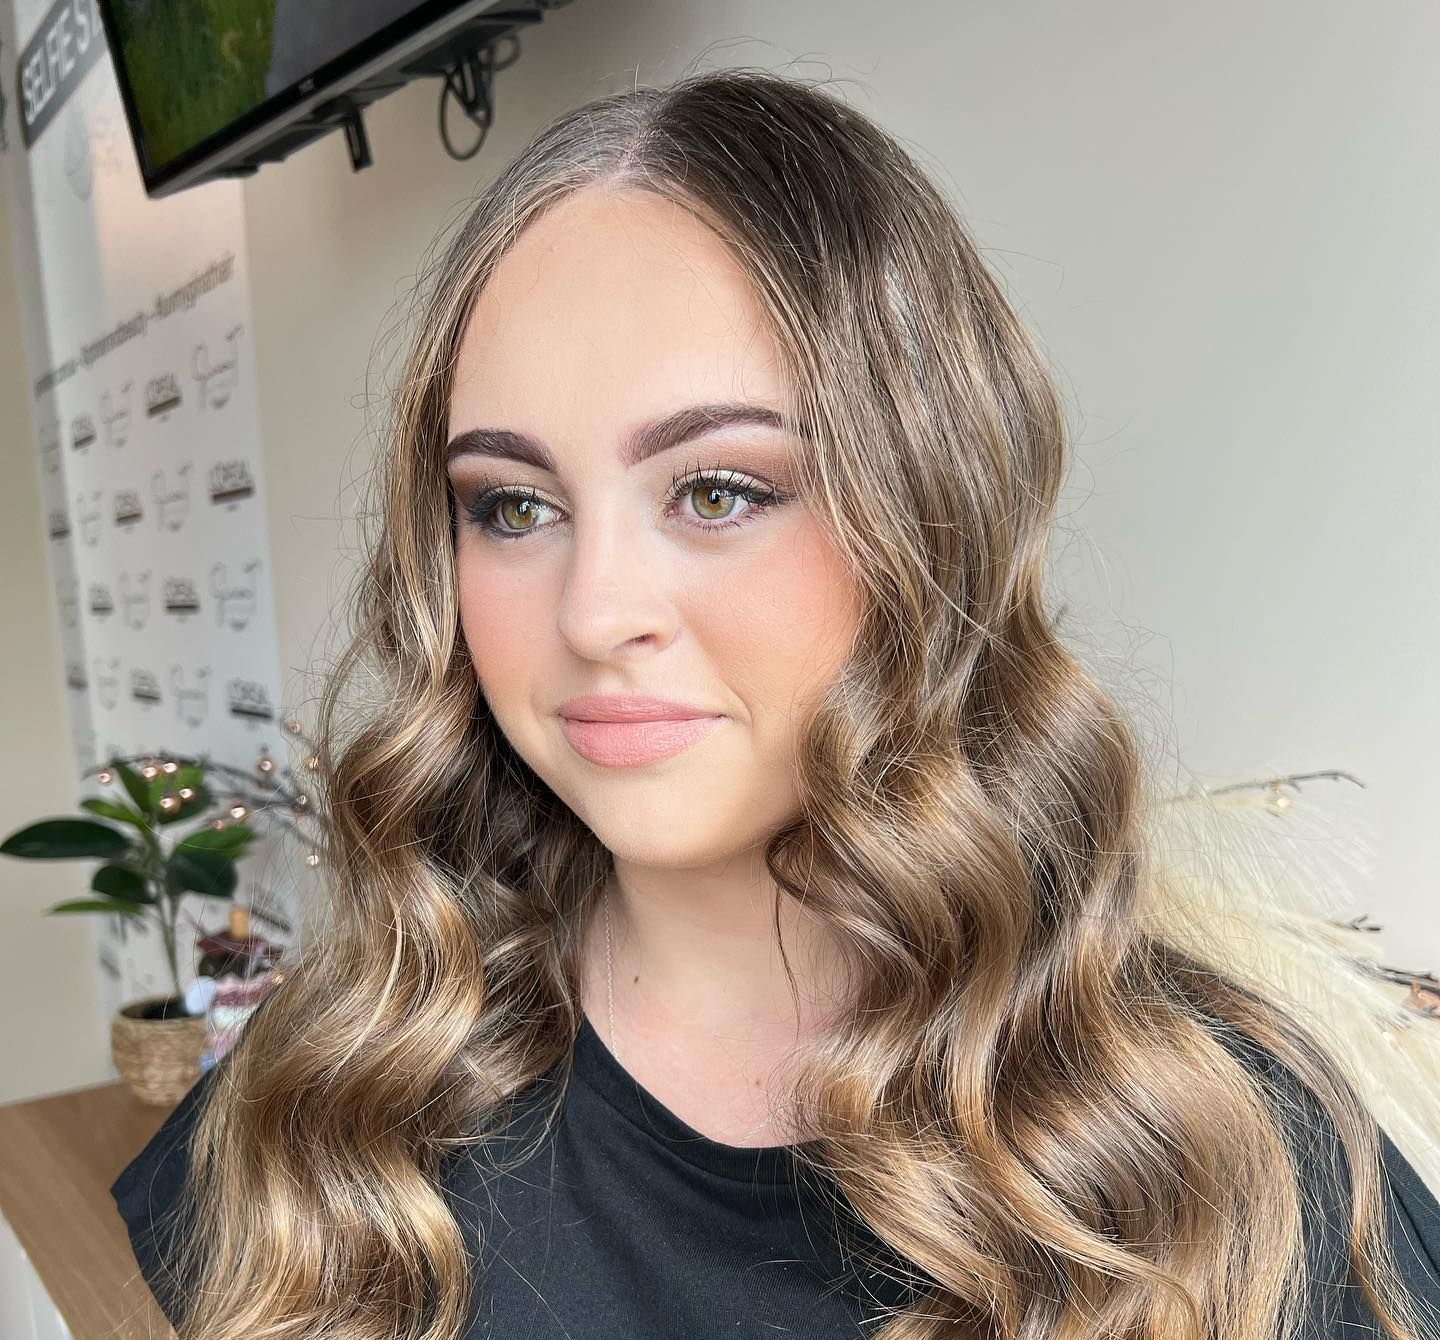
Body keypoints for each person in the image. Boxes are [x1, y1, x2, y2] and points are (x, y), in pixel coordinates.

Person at [110, 66, 1440, 1340]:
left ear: (929, 512)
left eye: (717, 490)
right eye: (512, 506)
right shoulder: (327, 1100)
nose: (591, 611)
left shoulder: (1233, 1149)